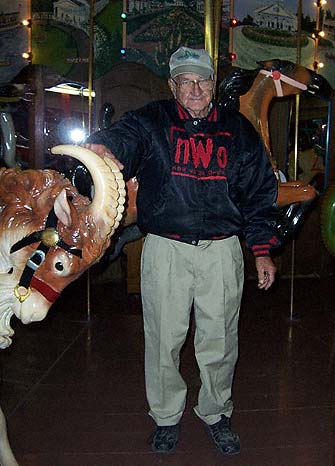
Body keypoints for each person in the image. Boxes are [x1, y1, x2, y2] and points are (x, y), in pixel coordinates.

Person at [84, 46, 280, 456]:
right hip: (166, 250)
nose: (195, 89)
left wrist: (261, 249)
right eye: (185, 81)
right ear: (173, 86)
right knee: (162, 340)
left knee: (221, 340)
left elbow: (260, 193)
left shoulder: (237, 129)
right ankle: (167, 416)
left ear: (213, 84)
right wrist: (103, 146)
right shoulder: (152, 121)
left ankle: (215, 412)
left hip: (222, 250)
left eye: (202, 80)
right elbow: (124, 137)